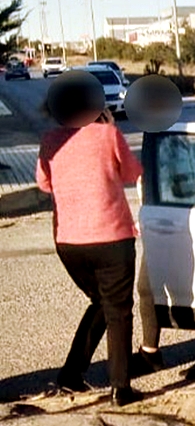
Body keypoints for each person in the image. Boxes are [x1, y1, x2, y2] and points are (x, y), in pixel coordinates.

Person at [36, 73, 144, 406]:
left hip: (68, 243)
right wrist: (110, 129)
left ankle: (71, 374)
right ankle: (120, 388)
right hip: (111, 238)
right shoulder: (108, 134)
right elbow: (132, 173)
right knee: (118, 311)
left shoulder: (51, 140)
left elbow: (44, 184)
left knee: (102, 302)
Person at [132, 134, 195, 381]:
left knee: (156, 287)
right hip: (168, 215)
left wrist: (153, 212)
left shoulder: (167, 139)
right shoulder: (166, 137)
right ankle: (152, 351)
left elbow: (177, 181)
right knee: (155, 288)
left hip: (171, 219)